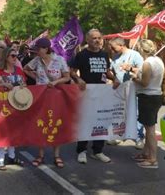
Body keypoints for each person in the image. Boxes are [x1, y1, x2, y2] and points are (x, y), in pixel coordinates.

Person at [70, 29, 116, 164]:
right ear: (88, 40)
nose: (97, 40)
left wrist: (115, 79)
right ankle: (82, 150)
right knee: (86, 122)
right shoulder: (81, 55)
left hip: (102, 94)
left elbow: (106, 71)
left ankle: (98, 151)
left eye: (99, 38)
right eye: (94, 38)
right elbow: (71, 71)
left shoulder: (104, 54)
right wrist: (79, 80)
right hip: (87, 94)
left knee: (101, 121)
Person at [23, 38, 70, 168]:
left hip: (56, 95)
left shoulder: (59, 60)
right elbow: (25, 69)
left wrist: (55, 82)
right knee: (41, 123)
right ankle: (40, 155)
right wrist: (37, 78)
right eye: (36, 49)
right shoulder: (37, 60)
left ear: (46, 48)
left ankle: (57, 155)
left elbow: (67, 77)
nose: (37, 52)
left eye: (39, 49)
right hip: (41, 95)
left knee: (56, 122)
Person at [129, 39, 164, 169]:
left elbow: (144, 82)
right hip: (156, 95)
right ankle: (145, 153)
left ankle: (153, 159)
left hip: (148, 97)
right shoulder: (158, 60)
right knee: (148, 127)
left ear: (142, 50)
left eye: (138, 49)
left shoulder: (147, 63)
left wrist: (133, 76)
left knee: (150, 129)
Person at [0, 47, 25, 170]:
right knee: (2, 132)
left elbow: (24, 84)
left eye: (16, 56)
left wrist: (21, 86)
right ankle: (0, 160)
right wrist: (3, 84)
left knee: (13, 130)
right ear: (6, 57)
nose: (15, 58)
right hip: (2, 104)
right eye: (13, 56)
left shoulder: (19, 70)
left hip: (15, 104)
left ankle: (11, 155)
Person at [108, 37, 145, 148]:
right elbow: (112, 70)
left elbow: (143, 70)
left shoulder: (135, 55)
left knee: (136, 113)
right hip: (120, 89)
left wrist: (130, 68)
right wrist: (113, 78)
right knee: (119, 113)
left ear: (121, 45)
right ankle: (119, 135)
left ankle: (139, 138)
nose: (112, 50)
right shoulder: (115, 56)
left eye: (114, 48)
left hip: (133, 89)